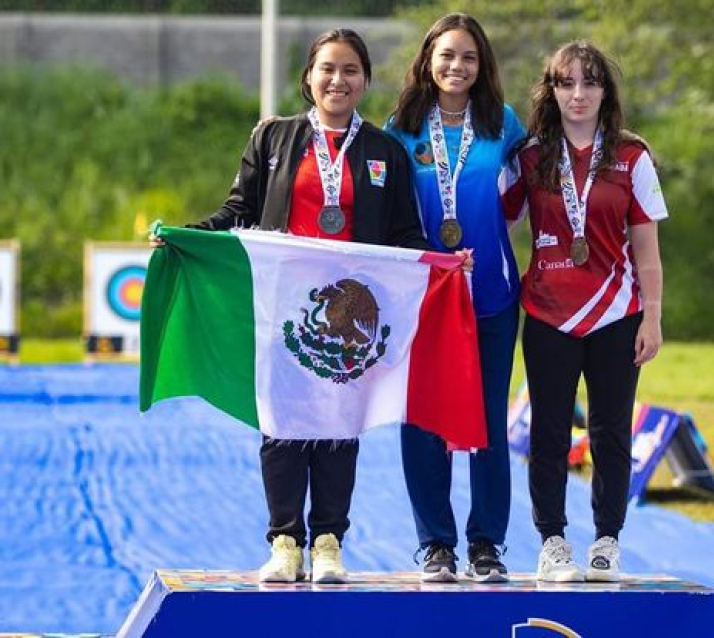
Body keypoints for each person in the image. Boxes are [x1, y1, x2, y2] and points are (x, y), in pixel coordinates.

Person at [153, 29, 430, 584]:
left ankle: (328, 541)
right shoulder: (274, 138)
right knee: (282, 424)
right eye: (327, 69)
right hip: (284, 311)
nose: (338, 80)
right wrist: (189, 236)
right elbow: (239, 209)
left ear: (366, 81)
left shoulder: (385, 152)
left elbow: (404, 234)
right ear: (308, 78)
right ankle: (285, 541)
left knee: (339, 425)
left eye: (351, 70)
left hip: (352, 318)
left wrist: (443, 265)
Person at [502, 40, 668, 582]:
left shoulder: (632, 156)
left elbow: (646, 247)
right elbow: (498, 222)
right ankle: (552, 541)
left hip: (617, 313)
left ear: (605, 91)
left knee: (610, 432)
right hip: (549, 312)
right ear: (550, 91)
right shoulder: (528, 156)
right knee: (548, 432)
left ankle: (606, 542)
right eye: (566, 83)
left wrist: (653, 316)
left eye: (590, 83)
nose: (578, 94)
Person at [386, 13, 525, 584]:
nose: (456, 66)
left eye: (468, 57)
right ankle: (436, 544)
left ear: (482, 65)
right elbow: (384, 203)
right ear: (426, 61)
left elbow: (539, 181)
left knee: (487, 419)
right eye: (446, 55)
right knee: (423, 418)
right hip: (425, 298)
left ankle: (487, 543)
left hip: (492, 292)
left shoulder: (505, 123)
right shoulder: (403, 126)